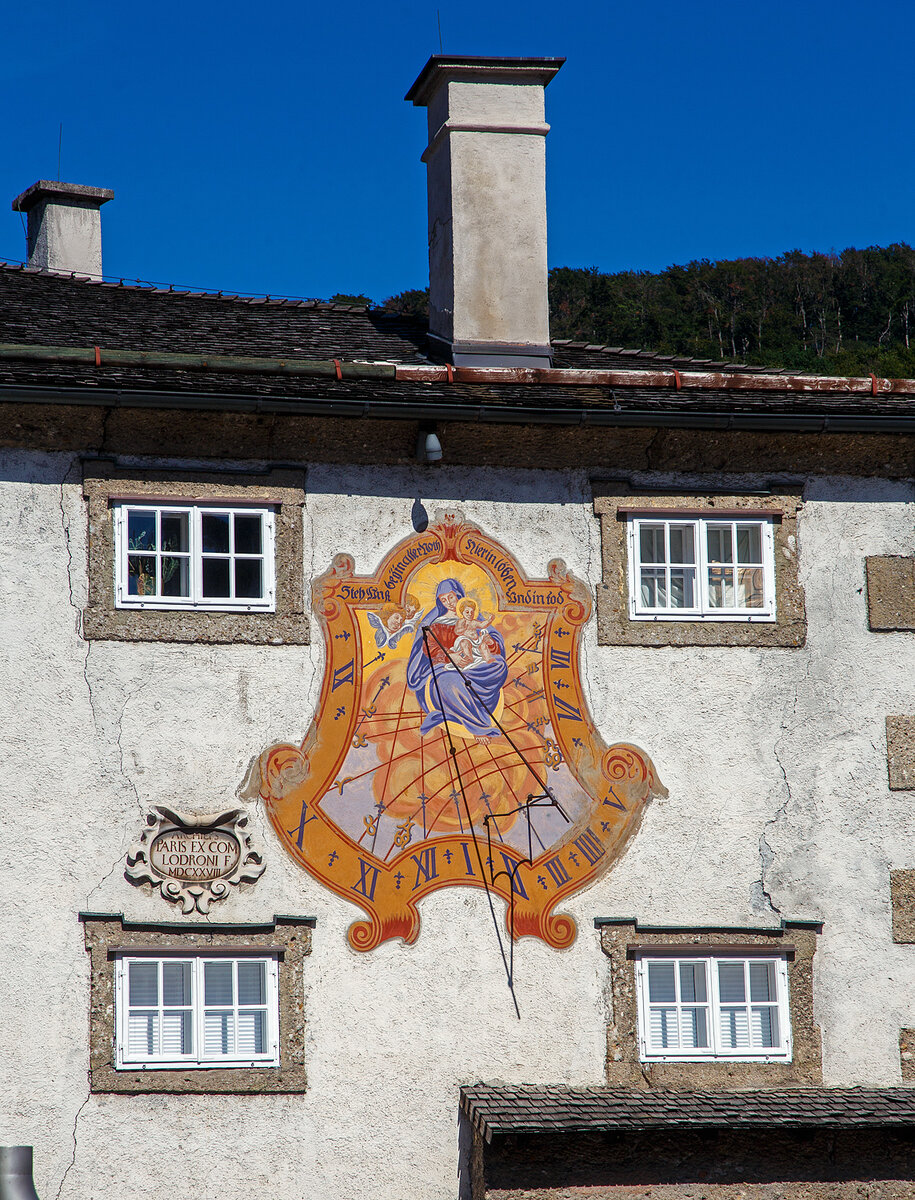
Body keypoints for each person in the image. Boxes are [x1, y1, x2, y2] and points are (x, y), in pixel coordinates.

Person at [406, 578, 507, 739]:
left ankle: (453, 714)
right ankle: (479, 726)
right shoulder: (437, 624)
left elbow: (495, 646)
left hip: (475, 665)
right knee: (449, 683)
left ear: (459, 595)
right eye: (443, 600)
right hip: (448, 670)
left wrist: (489, 642)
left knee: (500, 665)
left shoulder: (474, 619)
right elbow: (428, 648)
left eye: (451, 597)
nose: (449, 603)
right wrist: (449, 655)